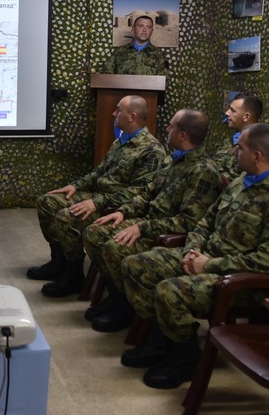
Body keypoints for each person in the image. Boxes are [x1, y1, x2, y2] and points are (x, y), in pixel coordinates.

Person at [120, 123, 269, 390]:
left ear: (256, 155)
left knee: (169, 291)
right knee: (136, 265)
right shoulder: (241, 182)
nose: (234, 152)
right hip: (204, 257)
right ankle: (162, 340)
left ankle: (185, 356)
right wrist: (191, 251)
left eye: (239, 148)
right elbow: (206, 221)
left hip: (243, 280)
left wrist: (209, 264)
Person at [82, 109, 221, 332]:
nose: (166, 129)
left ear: (183, 135)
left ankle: (128, 309)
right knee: (95, 232)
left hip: (165, 232)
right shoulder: (173, 159)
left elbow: (188, 222)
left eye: (172, 126)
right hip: (148, 222)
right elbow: (147, 192)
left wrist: (144, 227)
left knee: (114, 247)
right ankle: (119, 296)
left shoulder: (202, 171)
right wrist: (124, 211)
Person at [28, 95, 170, 297]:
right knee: (47, 202)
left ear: (132, 116)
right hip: (98, 196)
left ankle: (73, 275)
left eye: (118, 110)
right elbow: (98, 172)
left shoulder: (151, 150)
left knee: (67, 217)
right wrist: (75, 186)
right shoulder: (121, 141)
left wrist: (97, 202)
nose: (114, 113)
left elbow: (140, 191)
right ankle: (58, 263)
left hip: (115, 205)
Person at [210, 93, 262, 185]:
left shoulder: (259, 147)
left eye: (232, 110)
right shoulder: (230, 140)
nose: (227, 113)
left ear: (246, 117)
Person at [102, 15, 168, 75]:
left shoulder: (159, 55)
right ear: (133, 29)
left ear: (152, 31)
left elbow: (163, 82)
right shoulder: (119, 52)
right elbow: (106, 76)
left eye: (148, 27)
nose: (144, 30)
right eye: (140, 26)